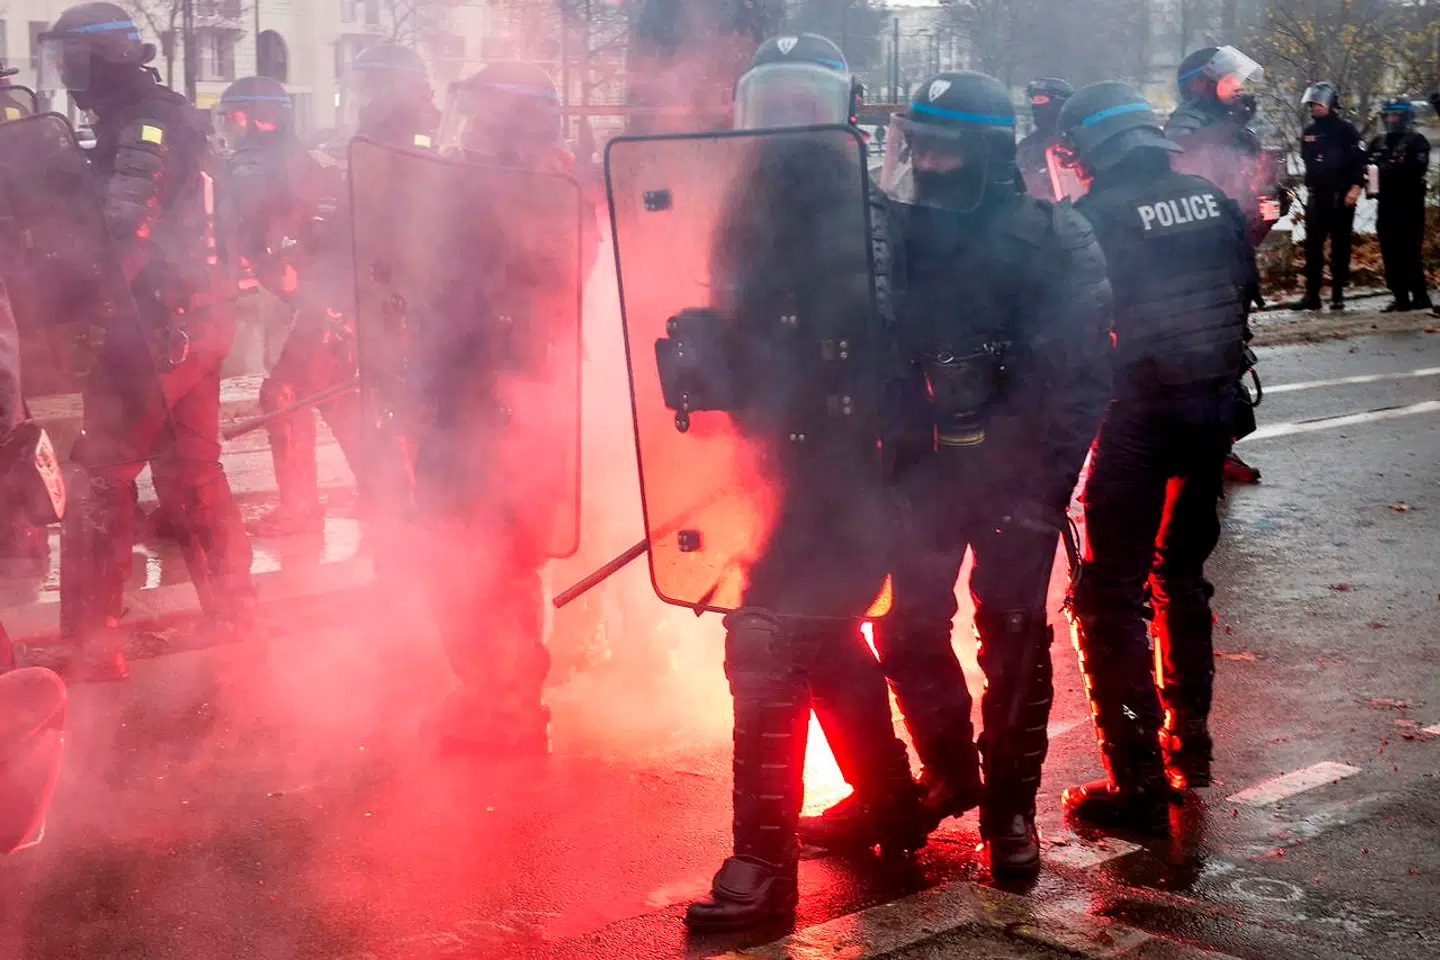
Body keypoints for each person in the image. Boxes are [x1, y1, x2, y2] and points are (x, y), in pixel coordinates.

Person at [601, 34, 926, 929]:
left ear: (839, 109)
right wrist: (707, 355)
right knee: (819, 636)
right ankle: (889, 806)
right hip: (793, 460)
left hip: (854, 466)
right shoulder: (750, 209)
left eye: (802, 103)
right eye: (770, 102)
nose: (785, 121)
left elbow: (868, 344)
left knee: (767, 638)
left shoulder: (862, 213)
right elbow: (753, 329)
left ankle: (763, 871)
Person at [801, 70, 1113, 876]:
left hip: (1014, 472)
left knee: (1012, 638)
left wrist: (1046, 483)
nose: (924, 163)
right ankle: (948, 774)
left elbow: (1085, 377)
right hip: (919, 468)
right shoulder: (888, 231)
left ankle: (1011, 816)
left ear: (981, 153)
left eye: (942, 149)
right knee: (903, 633)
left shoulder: (1052, 236)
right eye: (918, 144)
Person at [1055, 82, 1255, 831]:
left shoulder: (1093, 219)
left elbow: (1072, 335)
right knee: (1181, 576)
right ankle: (1189, 745)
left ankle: (1136, 779)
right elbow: (1243, 295)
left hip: (1138, 418)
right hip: (1212, 414)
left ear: (1090, 152)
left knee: (1109, 594)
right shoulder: (1208, 200)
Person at [41, 2, 254, 682]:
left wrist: (63, 290)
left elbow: (124, 232)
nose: (68, 76)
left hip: (153, 327)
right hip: (196, 321)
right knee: (191, 471)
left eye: (71, 61)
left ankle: (92, 647)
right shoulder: (161, 115)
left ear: (99, 60)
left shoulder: (147, 123)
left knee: (103, 476)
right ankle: (236, 616)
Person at [407, 62, 588, 757]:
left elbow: (494, 304)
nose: (472, 130)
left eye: (485, 116)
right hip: (491, 405)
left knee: (486, 556)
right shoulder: (514, 188)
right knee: (479, 556)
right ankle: (494, 692)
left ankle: (506, 703)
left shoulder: (534, 196)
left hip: (499, 409)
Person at [216, 75, 362, 537]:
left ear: (265, 118)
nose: (231, 127)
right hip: (329, 298)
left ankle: (301, 511)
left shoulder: (277, 169)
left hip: (327, 299)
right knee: (334, 393)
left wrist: (292, 279)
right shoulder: (288, 163)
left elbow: (290, 243)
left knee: (284, 393)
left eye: (236, 117)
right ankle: (391, 494)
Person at [1166, 46, 1271, 485]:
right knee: (1197, 355)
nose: (1239, 88)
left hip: (1238, 252)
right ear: (1201, 84)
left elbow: (1258, 177)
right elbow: (1190, 163)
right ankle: (1182, 448)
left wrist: (1266, 206)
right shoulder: (1185, 126)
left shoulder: (1240, 130)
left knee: (1232, 352)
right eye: (1230, 81)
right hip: (1200, 259)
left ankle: (1221, 444)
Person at [1298, 82, 1366, 312]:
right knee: (1313, 247)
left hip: (1341, 196)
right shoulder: (1310, 131)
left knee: (1340, 246)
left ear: (1330, 104)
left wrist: (1356, 188)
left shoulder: (1346, 130)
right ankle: (1312, 295)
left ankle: (1337, 294)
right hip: (1317, 195)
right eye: (1312, 103)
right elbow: (1307, 159)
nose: (1313, 107)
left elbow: (1360, 162)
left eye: (1318, 103)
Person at [1367, 97, 1431, 312]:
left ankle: (1420, 295)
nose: (1391, 119)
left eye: (1396, 115)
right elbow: (1366, 167)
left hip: (1409, 206)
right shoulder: (1378, 142)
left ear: (1405, 117)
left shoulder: (1417, 141)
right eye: (1388, 115)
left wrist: (1387, 171)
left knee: (1410, 253)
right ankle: (1399, 296)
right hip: (1386, 206)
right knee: (1389, 253)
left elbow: (1414, 172)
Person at [1016, 77, 1075, 200]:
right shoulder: (1028, 144)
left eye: (1041, 100)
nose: (1035, 105)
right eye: (1033, 100)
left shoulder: (1073, 143)